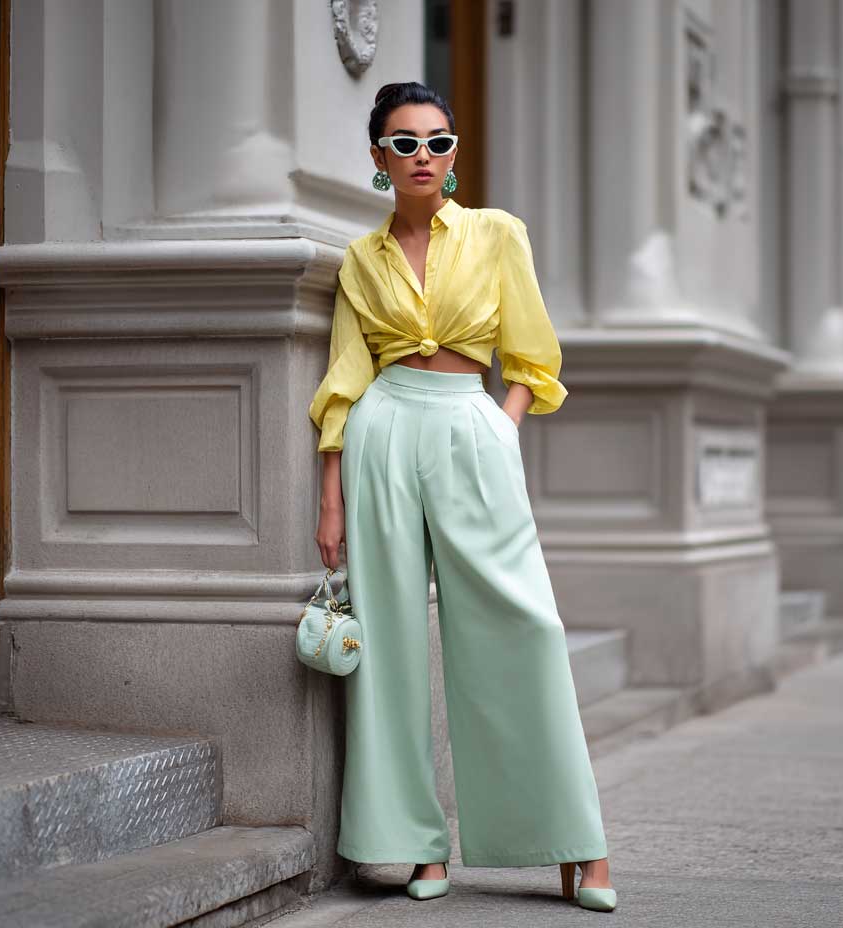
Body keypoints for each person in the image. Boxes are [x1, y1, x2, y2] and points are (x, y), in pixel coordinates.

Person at [308, 80, 616, 913]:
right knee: (394, 647)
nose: (423, 157)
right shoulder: (359, 260)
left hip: (470, 426)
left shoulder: (495, 233)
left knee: (525, 623)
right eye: (404, 143)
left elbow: (532, 358)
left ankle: (578, 846)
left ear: (455, 153)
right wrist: (330, 494)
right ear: (378, 158)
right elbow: (344, 375)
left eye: (438, 141)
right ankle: (416, 843)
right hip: (381, 433)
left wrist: (503, 429)